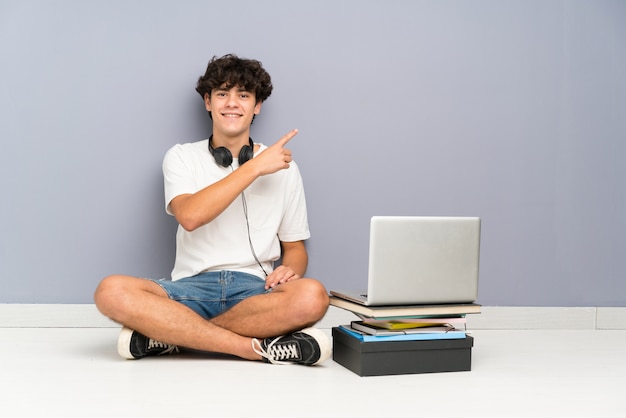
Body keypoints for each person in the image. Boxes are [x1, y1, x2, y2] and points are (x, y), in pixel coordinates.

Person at [94, 54, 331, 366]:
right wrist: (254, 168)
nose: (232, 103)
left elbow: (295, 247)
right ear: (208, 102)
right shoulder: (181, 157)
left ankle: (169, 336)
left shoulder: (286, 169)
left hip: (256, 292)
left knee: (313, 295)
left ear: (257, 106)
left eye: (243, 95)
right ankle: (252, 348)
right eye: (222, 94)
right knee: (110, 291)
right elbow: (190, 217)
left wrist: (292, 271)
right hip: (188, 291)